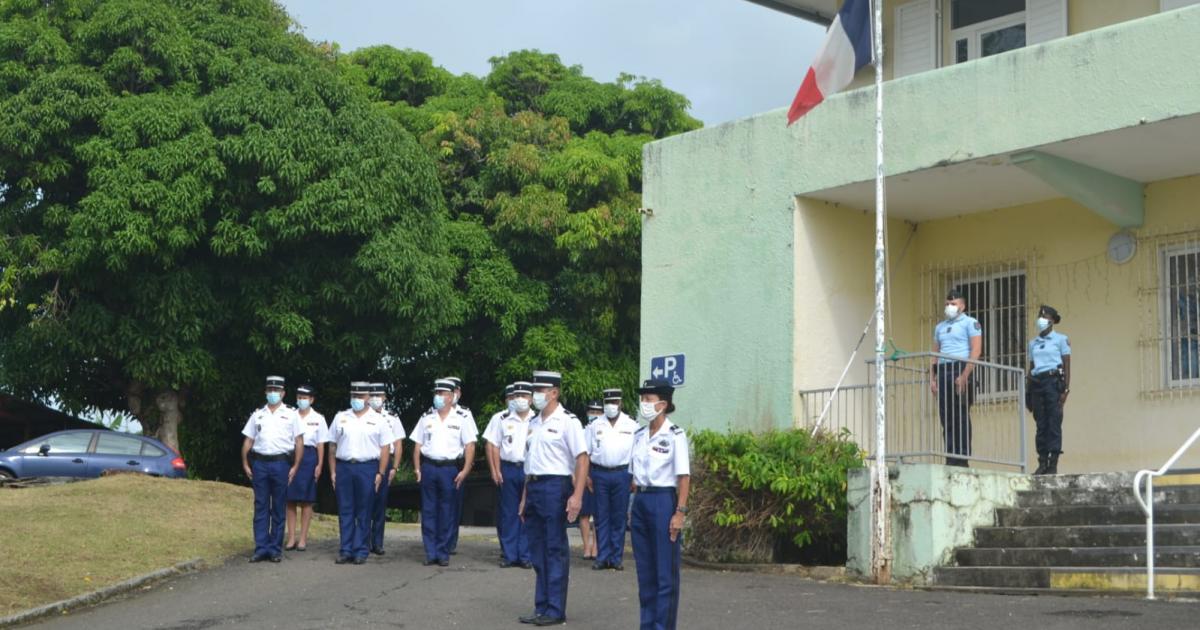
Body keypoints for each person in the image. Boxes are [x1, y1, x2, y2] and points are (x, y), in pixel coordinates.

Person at [518, 370, 589, 627]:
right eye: (534, 390)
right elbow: (531, 464)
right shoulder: (534, 423)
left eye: (540, 390)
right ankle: (542, 606)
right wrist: (525, 498)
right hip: (535, 487)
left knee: (554, 549)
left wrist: (577, 495)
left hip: (555, 487)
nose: (535, 395)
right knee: (537, 550)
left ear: (554, 392)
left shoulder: (568, 421)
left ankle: (556, 609)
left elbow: (581, 458)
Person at [629, 379, 690, 630]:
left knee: (665, 574)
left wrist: (680, 512)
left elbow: (683, 477)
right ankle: (647, 625)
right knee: (645, 573)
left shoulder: (675, 435)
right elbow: (632, 478)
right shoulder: (639, 435)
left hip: (663, 501)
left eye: (648, 399)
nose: (644, 403)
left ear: (663, 404)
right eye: (642, 399)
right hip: (641, 501)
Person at [411, 378, 478, 567]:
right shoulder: (426, 418)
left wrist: (465, 469)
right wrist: (417, 468)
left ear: (451, 397)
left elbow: (470, 446)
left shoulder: (461, 419)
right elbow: (417, 446)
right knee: (429, 510)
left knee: (447, 511)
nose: (438, 397)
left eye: (442, 394)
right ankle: (430, 552)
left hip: (450, 468)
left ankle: (443, 552)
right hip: (429, 468)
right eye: (436, 393)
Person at [328, 381, 393, 565]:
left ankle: (361, 550)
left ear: (367, 398)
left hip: (368, 468)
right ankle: (345, 549)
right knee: (345, 510)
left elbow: (385, 448)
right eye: (353, 396)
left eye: (360, 396)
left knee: (364, 511)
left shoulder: (379, 419)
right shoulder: (341, 417)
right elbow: (332, 446)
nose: (356, 399)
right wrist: (333, 471)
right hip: (344, 467)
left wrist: (381, 472)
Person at [241, 375, 303, 563]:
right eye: (270, 391)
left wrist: (295, 466)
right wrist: (245, 462)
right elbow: (248, 440)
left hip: (281, 464)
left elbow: (299, 442)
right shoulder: (257, 414)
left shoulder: (292, 414)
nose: (273, 394)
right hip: (259, 464)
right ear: (266, 392)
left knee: (278, 506)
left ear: (283, 393)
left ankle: (275, 548)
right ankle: (261, 547)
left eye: (277, 391)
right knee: (260, 506)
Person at [930, 289, 983, 467]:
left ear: (962, 305)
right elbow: (934, 354)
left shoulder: (971, 323)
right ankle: (951, 457)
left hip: (960, 368)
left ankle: (962, 459)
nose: (949, 307)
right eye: (947, 304)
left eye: (953, 304)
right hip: (944, 369)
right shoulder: (940, 327)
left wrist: (965, 375)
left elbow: (976, 350)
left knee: (960, 414)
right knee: (947, 416)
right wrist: (933, 378)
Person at [483, 382, 533, 568]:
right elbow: (493, 445)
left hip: (529, 470)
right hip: (509, 468)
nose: (520, 400)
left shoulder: (537, 420)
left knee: (527, 511)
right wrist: (495, 470)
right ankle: (510, 555)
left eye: (524, 396)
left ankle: (525, 555)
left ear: (530, 399)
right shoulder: (502, 419)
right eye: (516, 396)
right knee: (509, 512)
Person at [587, 388, 638, 571]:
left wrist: (635, 478)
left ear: (620, 403)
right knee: (601, 517)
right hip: (599, 473)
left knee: (619, 517)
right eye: (608, 403)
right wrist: (587, 476)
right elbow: (587, 453)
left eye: (615, 402)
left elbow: (636, 454)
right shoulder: (595, 425)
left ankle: (616, 558)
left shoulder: (631, 425)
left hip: (622, 474)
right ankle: (602, 556)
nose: (611, 406)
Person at [284, 384, 329, 552]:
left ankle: (302, 538)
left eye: (304, 398)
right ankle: (290, 538)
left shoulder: (319, 418)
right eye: (299, 397)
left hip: (310, 457)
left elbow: (321, 444)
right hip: (290, 456)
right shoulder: (290, 415)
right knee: (289, 499)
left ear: (311, 399)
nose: (301, 401)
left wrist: (319, 465)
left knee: (306, 500)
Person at [1027, 305, 1071, 475]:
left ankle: (1053, 463)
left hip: (1053, 382)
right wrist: (1028, 391)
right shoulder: (1033, 343)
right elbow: (1031, 368)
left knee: (1054, 422)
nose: (1041, 319)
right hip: (1037, 383)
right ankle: (1042, 462)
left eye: (1044, 316)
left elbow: (1067, 364)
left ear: (1052, 321)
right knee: (1041, 424)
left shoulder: (1061, 340)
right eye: (1040, 315)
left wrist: (1065, 389)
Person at [368, 382, 406, 555]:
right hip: (367, 462)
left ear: (384, 398)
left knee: (380, 503)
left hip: (386, 462)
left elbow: (398, 444)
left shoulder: (392, 417)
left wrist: (395, 467)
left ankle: (377, 542)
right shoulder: (361, 416)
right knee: (364, 502)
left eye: (379, 396)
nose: (376, 399)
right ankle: (362, 540)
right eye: (372, 395)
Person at [443, 375, 473, 555]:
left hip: (457, 463)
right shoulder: (432, 413)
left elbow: (470, 443)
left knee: (453, 505)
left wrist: (466, 468)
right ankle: (438, 541)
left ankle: (450, 541)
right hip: (438, 463)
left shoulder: (465, 414)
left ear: (458, 393)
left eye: (453, 391)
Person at [575, 401, 601, 562]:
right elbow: (578, 456)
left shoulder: (604, 431)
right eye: (592, 411)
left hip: (599, 472)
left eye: (598, 412)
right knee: (584, 513)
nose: (594, 414)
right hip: (583, 473)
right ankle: (586, 546)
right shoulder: (582, 431)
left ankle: (596, 547)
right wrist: (581, 477)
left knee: (598, 513)